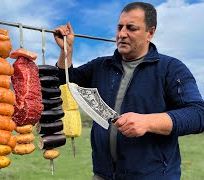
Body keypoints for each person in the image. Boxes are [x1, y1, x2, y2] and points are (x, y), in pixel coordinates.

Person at [53, 2, 204, 180]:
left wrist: (148, 122)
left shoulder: (171, 68)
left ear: (150, 33)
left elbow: (198, 114)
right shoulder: (100, 66)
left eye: (131, 28)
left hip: (154, 176)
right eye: (119, 27)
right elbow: (65, 79)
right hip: (103, 175)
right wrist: (66, 50)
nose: (122, 34)